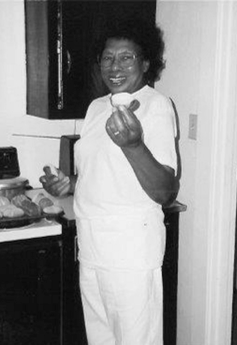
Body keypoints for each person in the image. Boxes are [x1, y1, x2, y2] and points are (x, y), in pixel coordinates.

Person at [40, 19, 179, 345]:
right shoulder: (96, 108)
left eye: (126, 57)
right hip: (91, 248)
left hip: (129, 256)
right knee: (101, 340)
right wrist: (69, 183)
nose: (114, 66)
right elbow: (98, 174)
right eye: (107, 57)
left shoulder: (156, 106)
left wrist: (134, 145)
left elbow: (166, 191)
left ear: (146, 63)